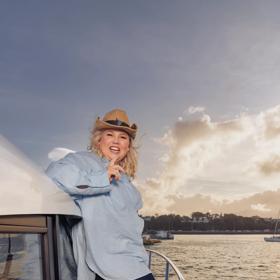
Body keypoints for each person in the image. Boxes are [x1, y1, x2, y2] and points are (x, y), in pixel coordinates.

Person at [46, 109, 155, 280]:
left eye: (123, 137)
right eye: (110, 134)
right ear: (99, 140)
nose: (116, 141)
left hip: (137, 267)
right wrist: (102, 178)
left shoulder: (129, 185)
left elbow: (132, 231)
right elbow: (54, 176)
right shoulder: (80, 160)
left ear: (128, 146)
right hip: (104, 271)